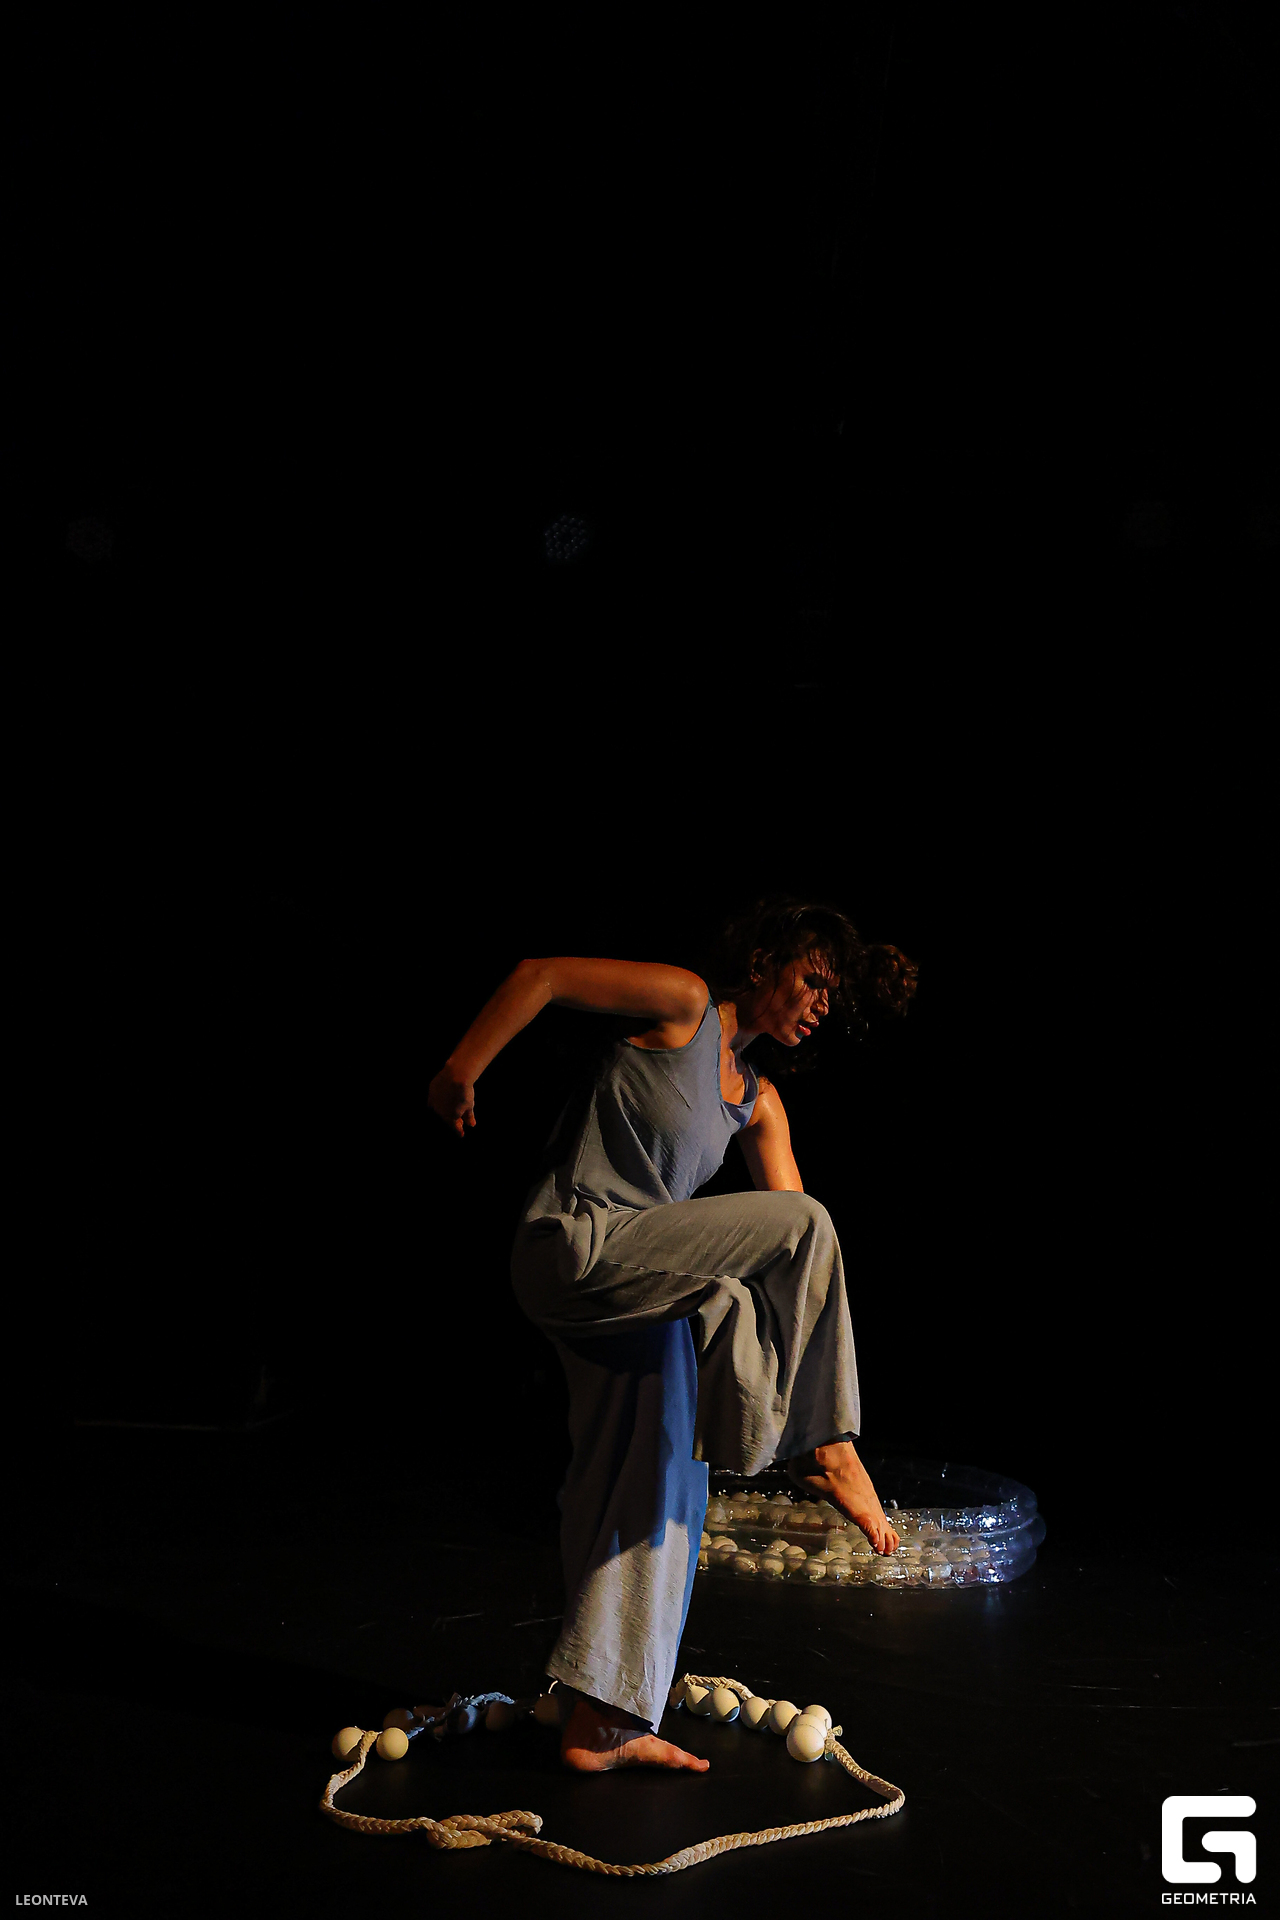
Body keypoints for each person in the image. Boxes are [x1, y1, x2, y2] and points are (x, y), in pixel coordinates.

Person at [427, 896, 917, 1774]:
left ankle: (604, 1719)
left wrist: (773, 1362)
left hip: (642, 1286)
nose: (819, 1005)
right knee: (805, 1225)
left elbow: (797, 1282)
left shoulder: (761, 1103)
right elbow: (542, 976)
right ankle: (823, 1446)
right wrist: (462, 1069)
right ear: (764, 961)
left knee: (663, 1475)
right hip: (574, 1243)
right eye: (812, 980)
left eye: (831, 998)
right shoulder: (686, 1005)